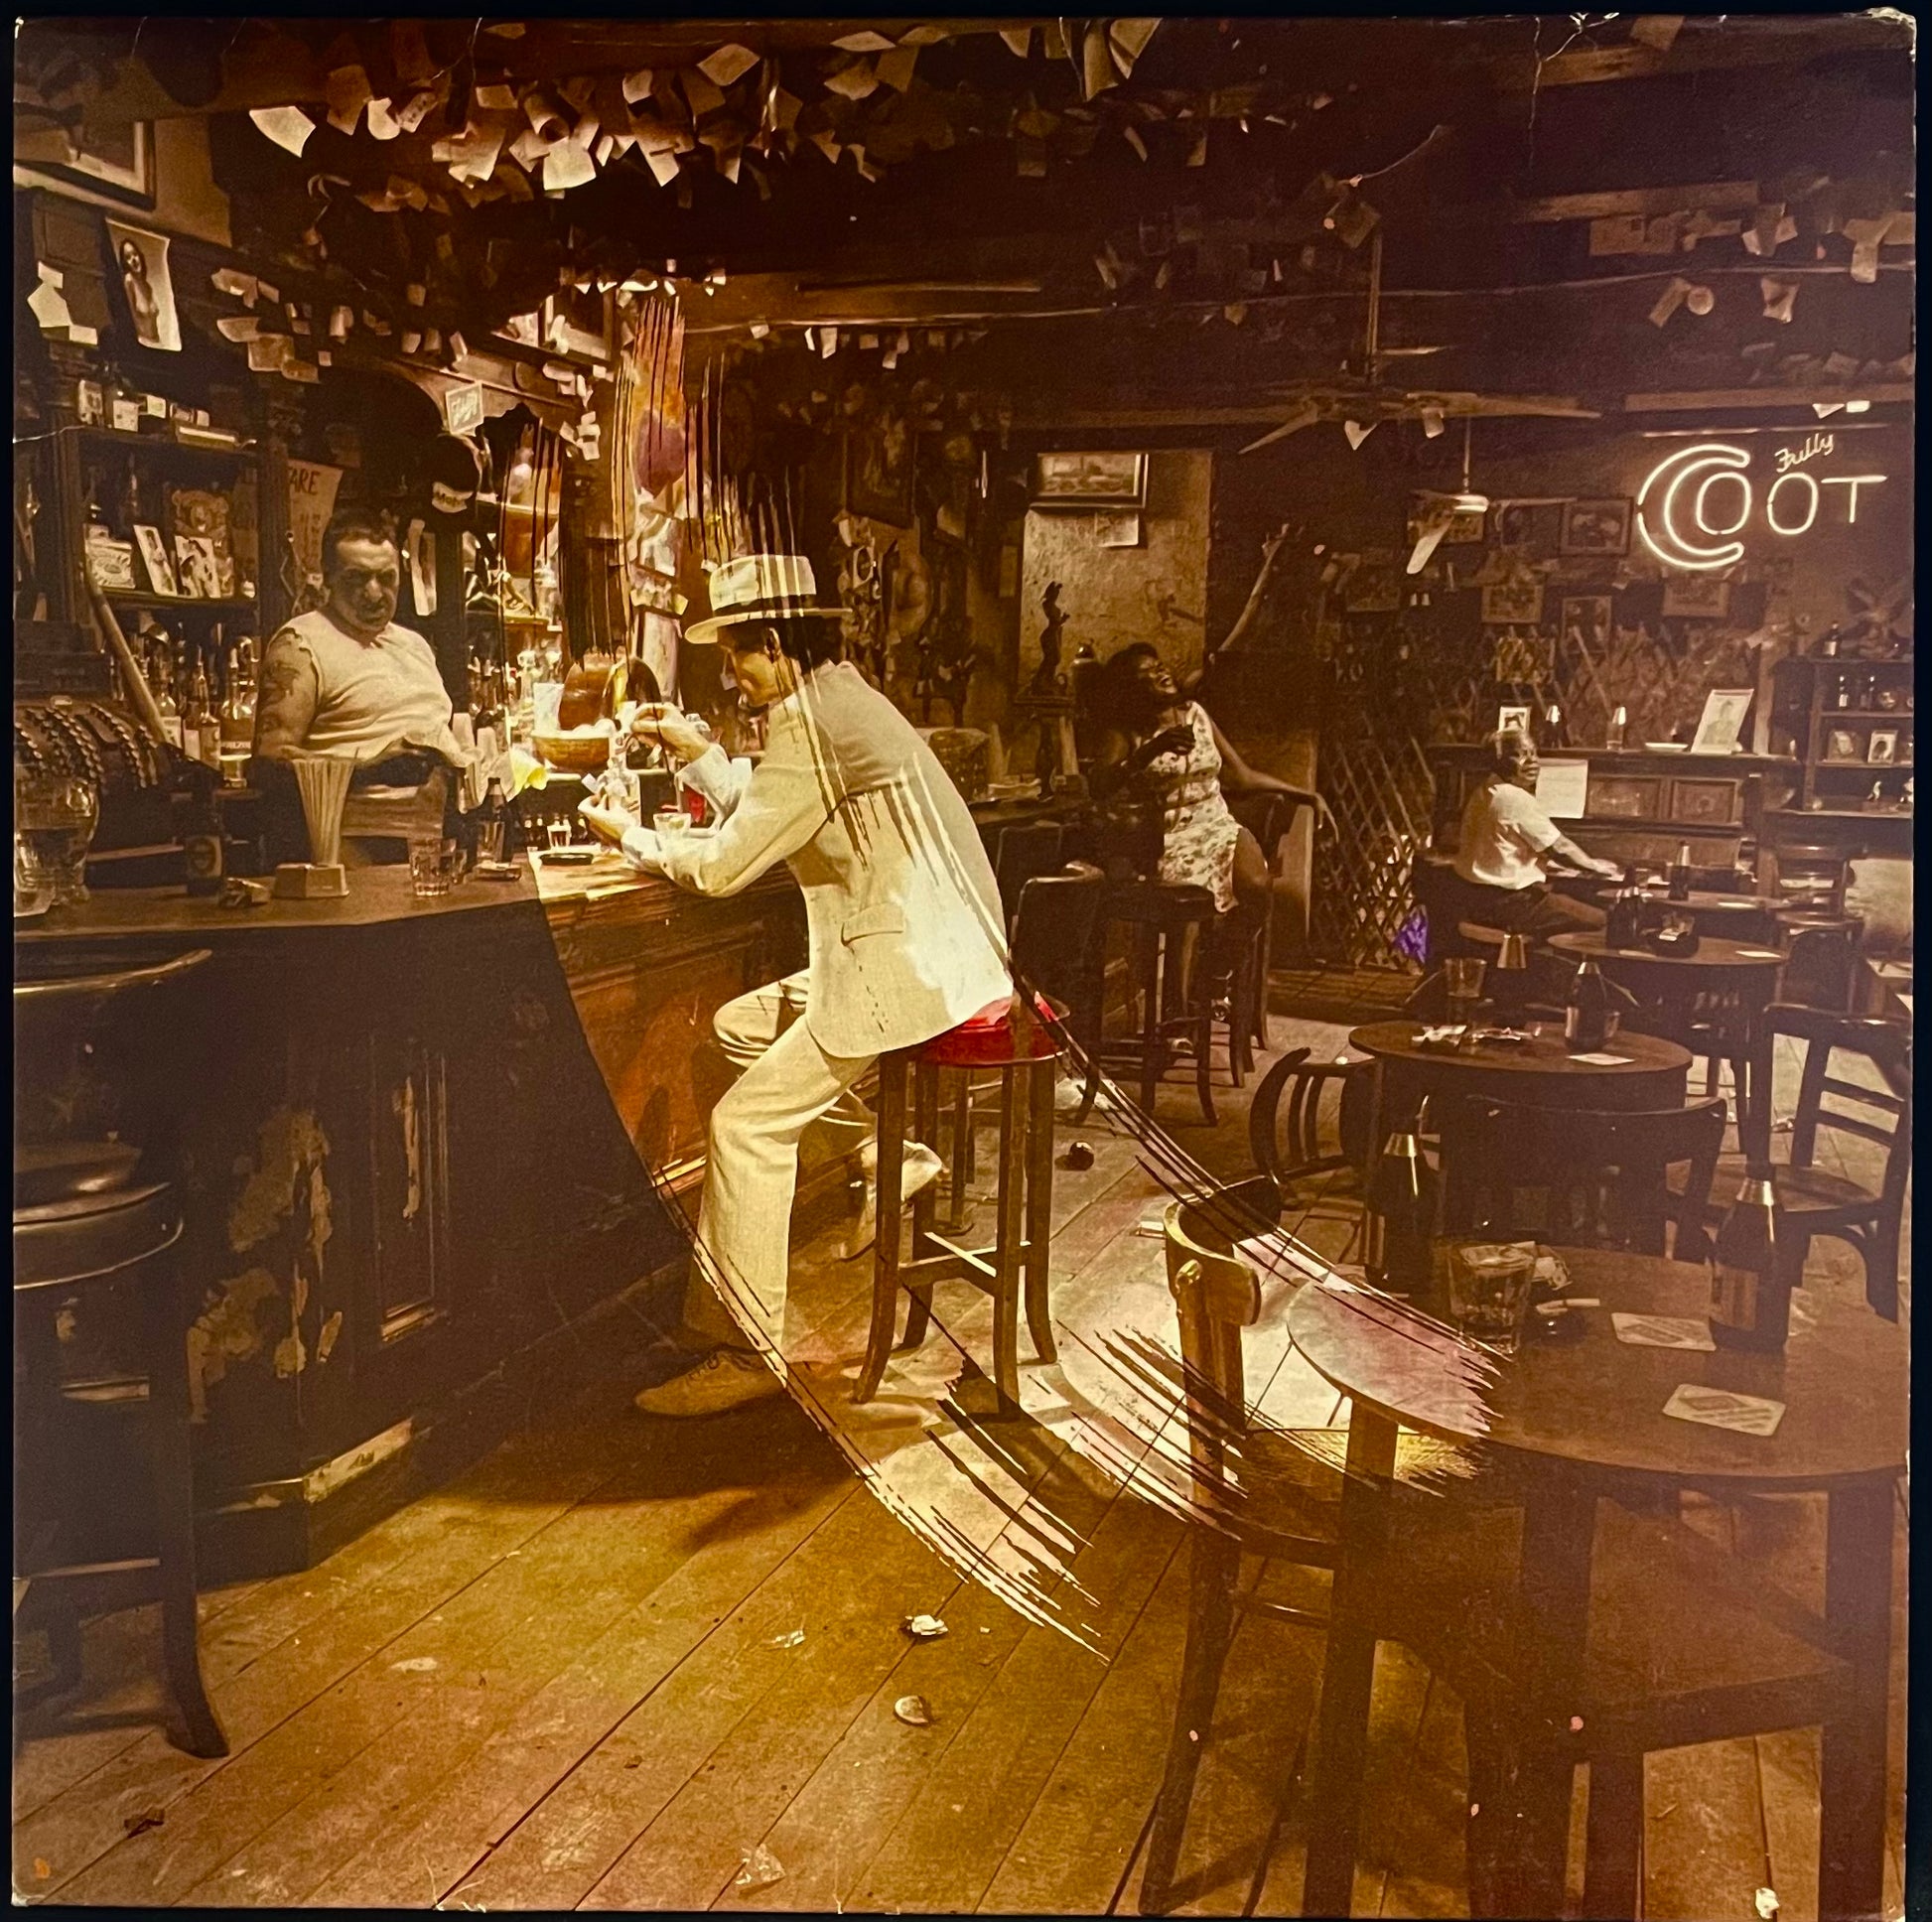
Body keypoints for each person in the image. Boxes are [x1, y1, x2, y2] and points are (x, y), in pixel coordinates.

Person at [579, 553, 1013, 1420]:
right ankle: (884, 1153)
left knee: (744, 1128)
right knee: (739, 1026)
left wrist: (630, 836)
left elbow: (724, 867)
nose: (731, 677)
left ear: (774, 645)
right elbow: (783, 804)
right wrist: (701, 754)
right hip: (936, 949)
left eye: (737, 655)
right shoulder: (838, 701)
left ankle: (747, 1351)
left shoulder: (814, 724)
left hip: (909, 966)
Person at [251, 505, 469, 859]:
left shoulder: (415, 645)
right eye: (356, 578)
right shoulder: (300, 644)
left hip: (439, 843)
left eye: (386, 578)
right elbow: (268, 763)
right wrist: (369, 770)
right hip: (357, 849)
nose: (374, 593)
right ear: (327, 579)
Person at [1089, 640, 1327, 930]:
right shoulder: (1127, 732)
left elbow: (1241, 776)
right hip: (1164, 839)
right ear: (1132, 691)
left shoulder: (1196, 715)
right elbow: (1099, 785)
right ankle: (1198, 957)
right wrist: (1151, 750)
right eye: (1147, 672)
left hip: (1216, 825)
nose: (1160, 671)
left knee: (1256, 885)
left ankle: (1227, 956)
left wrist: (1307, 795)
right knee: (1184, 923)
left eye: (1159, 665)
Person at [1446, 730, 1615, 937]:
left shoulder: (1484, 790)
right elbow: (1560, 847)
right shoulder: (1515, 797)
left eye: (1533, 753)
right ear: (1498, 761)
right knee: (1604, 921)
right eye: (1520, 755)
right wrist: (1594, 865)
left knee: (1568, 902)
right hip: (1511, 904)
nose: (1532, 761)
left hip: (1478, 898)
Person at [119, 237, 161, 348]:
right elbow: (128, 319)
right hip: (141, 346)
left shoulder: (147, 286)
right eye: (128, 257)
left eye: (135, 254)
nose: (133, 259)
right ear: (124, 263)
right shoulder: (129, 281)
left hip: (157, 345)